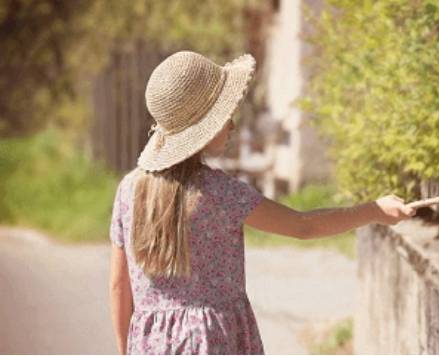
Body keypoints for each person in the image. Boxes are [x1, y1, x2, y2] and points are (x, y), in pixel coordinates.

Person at [108, 50, 416, 355]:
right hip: (213, 342)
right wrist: (374, 210)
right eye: (224, 115)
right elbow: (303, 226)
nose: (231, 125)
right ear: (203, 128)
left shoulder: (128, 191)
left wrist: (125, 349)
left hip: (150, 344)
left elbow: (119, 286)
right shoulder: (220, 193)